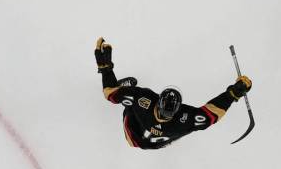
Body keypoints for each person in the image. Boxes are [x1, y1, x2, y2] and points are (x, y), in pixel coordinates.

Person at [94, 38, 252, 150]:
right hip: (155, 143)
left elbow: (109, 93)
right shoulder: (185, 119)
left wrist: (106, 69)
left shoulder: (143, 98)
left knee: (129, 106)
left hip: (137, 139)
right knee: (130, 101)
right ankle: (124, 92)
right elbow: (212, 114)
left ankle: (124, 90)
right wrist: (232, 94)